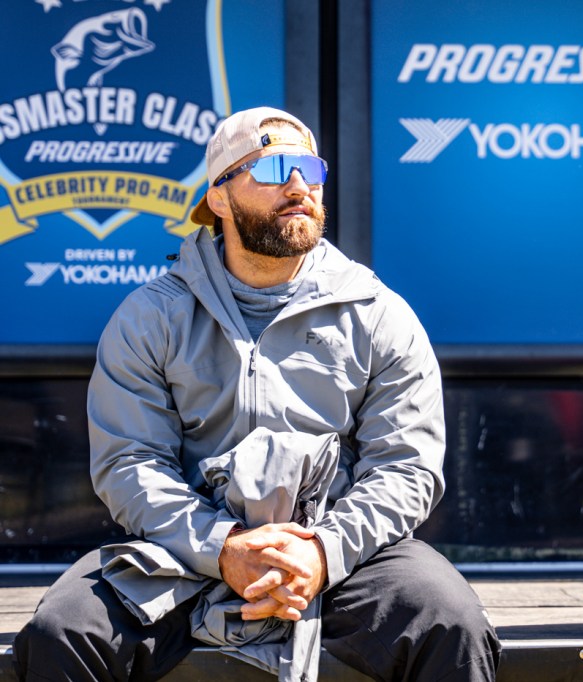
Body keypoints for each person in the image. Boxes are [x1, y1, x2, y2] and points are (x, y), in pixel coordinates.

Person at [14, 107, 500, 682]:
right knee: (63, 631)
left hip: (342, 553)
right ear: (218, 197)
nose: (298, 186)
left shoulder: (378, 314)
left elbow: (405, 467)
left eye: (310, 169)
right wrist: (224, 546)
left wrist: (320, 552)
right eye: (271, 169)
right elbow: (129, 464)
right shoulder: (151, 317)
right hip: (184, 553)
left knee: (450, 623)